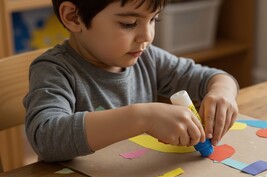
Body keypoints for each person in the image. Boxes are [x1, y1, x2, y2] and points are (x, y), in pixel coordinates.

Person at [24, 0, 239, 162]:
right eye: (129, 23)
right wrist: (142, 117)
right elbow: (45, 137)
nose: (147, 35)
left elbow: (212, 78)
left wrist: (223, 92)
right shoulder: (54, 70)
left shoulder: (147, 58)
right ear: (73, 17)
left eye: (154, 19)